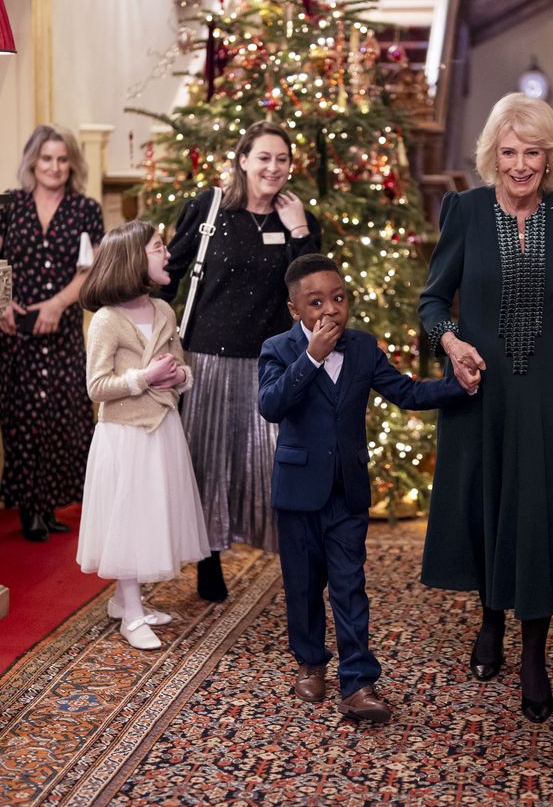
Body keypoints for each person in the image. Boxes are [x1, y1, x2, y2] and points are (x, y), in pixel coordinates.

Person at [419, 93, 553, 724]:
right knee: (486, 507)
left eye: (533, 152)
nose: (522, 165)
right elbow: (431, 302)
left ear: (550, 157)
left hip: (550, 392)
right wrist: (451, 342)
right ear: (492, 156)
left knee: (538, 514)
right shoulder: (466, 211)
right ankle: (488, 623)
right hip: (482, 391)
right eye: (510, 152)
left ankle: (534, 654)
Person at [258, 254, 465, 723]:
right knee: (304, 585)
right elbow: (271, 405)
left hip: (347, 490)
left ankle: (358, 682)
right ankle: (311, 661)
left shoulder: (363, 348)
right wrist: (310, 359)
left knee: (350, 587)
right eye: (316, 302)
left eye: (338, 298)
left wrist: (461, 385)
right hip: (297, 491)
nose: (330, 310)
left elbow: (407, 393)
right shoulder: (277, 348)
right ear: (295, 311)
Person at [162, 121, 321, 603]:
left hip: (269, 360)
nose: (274, 168)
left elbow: (313, 291)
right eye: (264, 158)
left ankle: (292, 560)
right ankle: (209, 562)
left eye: (282, 160)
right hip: (207, 356)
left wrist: (298, 234)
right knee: (207, 460)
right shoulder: (208, 208)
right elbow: (168, 272)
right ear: (243, 160)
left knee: (274, 464)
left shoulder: (299, 219)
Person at [77, 221, 210, 650]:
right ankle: (131, 615)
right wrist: (143, 377)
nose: (167, 254)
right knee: (129, 519)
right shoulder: (107, 321)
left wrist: (177, 376)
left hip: (162, 428)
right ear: (135, 258)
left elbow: (182, 367)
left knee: (153, 513)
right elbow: (96, 387)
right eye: (158, 248)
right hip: (125, 434)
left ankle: (123, 599)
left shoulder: (165, 312)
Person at [0, 125, 104, 542]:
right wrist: (2, 305)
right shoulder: (9, 207)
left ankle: (50, 503)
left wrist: (58, 305)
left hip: (62, 330)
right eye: (47, 159)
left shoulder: (85, 209)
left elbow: (90, 269)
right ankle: (29, 507)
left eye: (62, 159)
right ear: (32, 161)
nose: (54, 167)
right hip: (16, 330)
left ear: (72, 164)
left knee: (63, 414)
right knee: (22, 414)